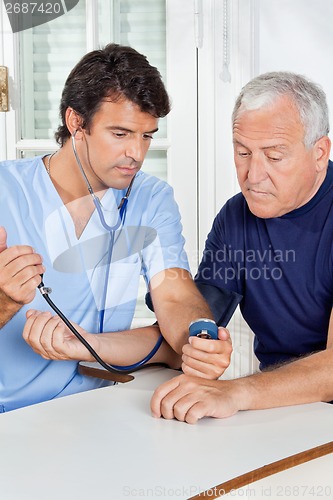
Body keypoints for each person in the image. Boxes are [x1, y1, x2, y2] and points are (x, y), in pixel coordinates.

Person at [0, 44, 232, 413]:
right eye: (121, 134)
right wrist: (5, 300)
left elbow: (174, 295)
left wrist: (199, 336)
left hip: (98, 409)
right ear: (76, 123)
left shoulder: (151, 198)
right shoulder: (5, 191)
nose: (137, 154)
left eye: (147, 136)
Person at [151, 71, 333, 424]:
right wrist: (85, 343)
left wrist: (235, 392)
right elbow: (196, 320)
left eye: (274, 156)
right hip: (278, 410)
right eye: (243, 152)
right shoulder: (237, 216)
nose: (253, 175)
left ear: (319, 153)